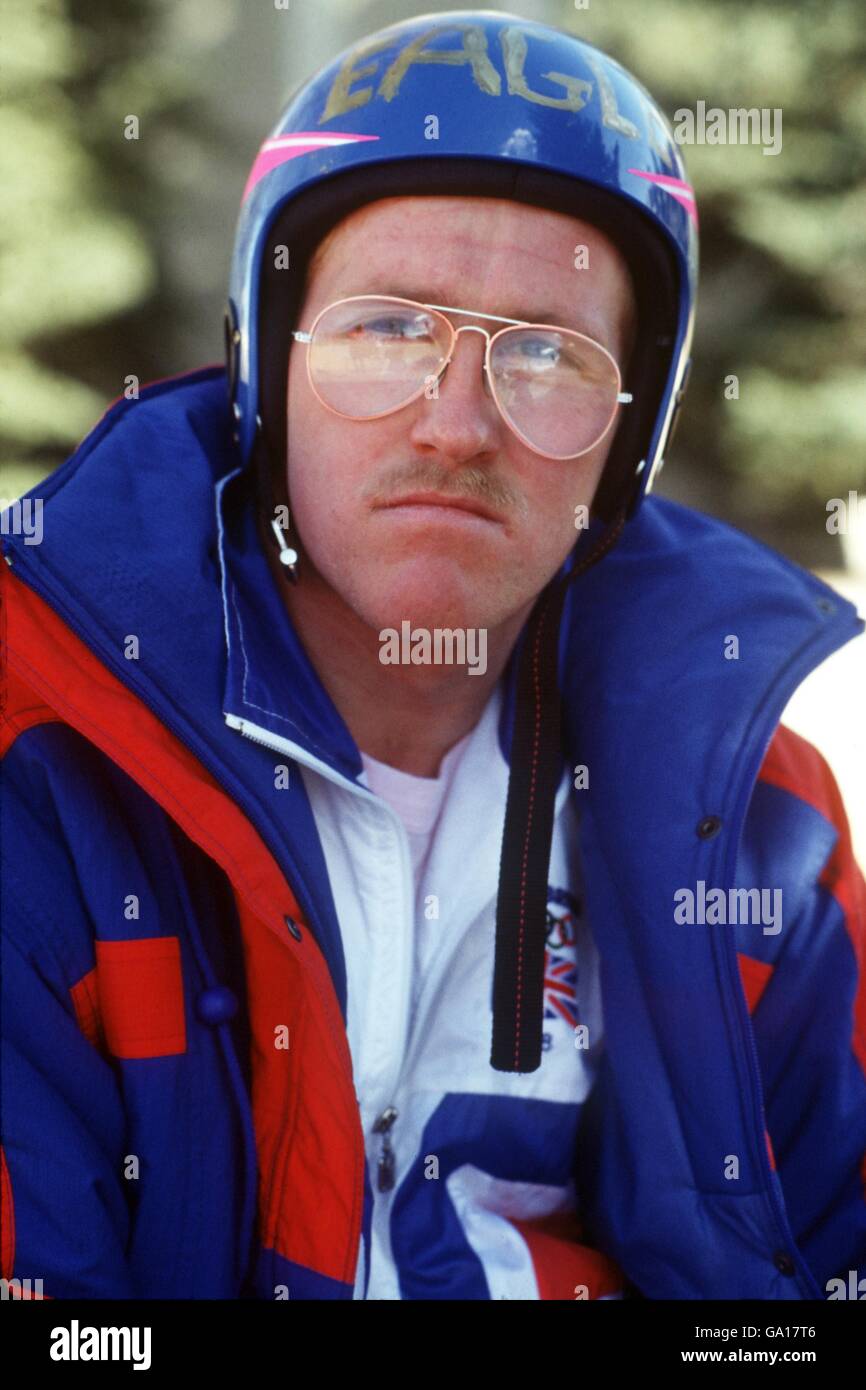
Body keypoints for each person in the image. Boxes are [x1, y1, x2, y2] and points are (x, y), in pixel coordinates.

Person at [1, 10, 864, 1303]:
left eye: (547, 352)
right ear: (267, 367)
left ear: (627, 436)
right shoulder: (37, 760)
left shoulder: (752, 822)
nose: (457, 423)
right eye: (387, 329)